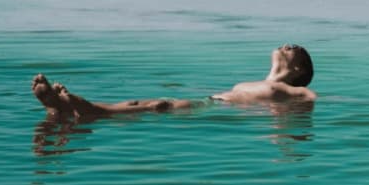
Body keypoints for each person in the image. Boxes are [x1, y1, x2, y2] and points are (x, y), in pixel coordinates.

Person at [31, 43, 316, 121]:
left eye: (293, 47)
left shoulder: (294, 90)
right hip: (210, 102)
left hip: (212, 110)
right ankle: (67, 108)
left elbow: (311, 99)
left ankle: (80, 108)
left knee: (158, 105)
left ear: (298, 68)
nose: (285, 44)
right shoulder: (257, 84)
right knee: (142, 104)